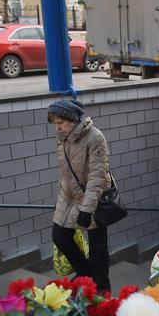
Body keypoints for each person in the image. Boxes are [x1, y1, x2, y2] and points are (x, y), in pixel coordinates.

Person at [50, 99, 113, 293]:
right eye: (55, 124)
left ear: (72, 119)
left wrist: (86, 210)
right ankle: (86, 275)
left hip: (93, 198)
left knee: (98, 247)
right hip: (68, 197)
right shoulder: (63, 138)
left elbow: (97, 177)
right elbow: (66, 173)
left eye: (60, 123)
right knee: (59, 236)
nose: (57, 128)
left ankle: (102, 289)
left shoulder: (95, 137)